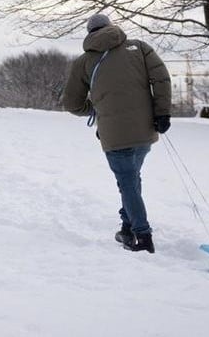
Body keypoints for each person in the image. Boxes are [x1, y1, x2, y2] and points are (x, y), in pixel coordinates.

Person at [61, 13, 171, 254]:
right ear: (111, 27)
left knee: (128, 182)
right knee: (132, 179)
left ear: (90, 34)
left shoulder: (84, 61)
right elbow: (161, 78)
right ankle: (127, 227)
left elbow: (71, 103)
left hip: (114, 135)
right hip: (145, 131)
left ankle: (142, 236)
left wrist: (96, 109)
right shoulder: (139, 48)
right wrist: (162, 113)